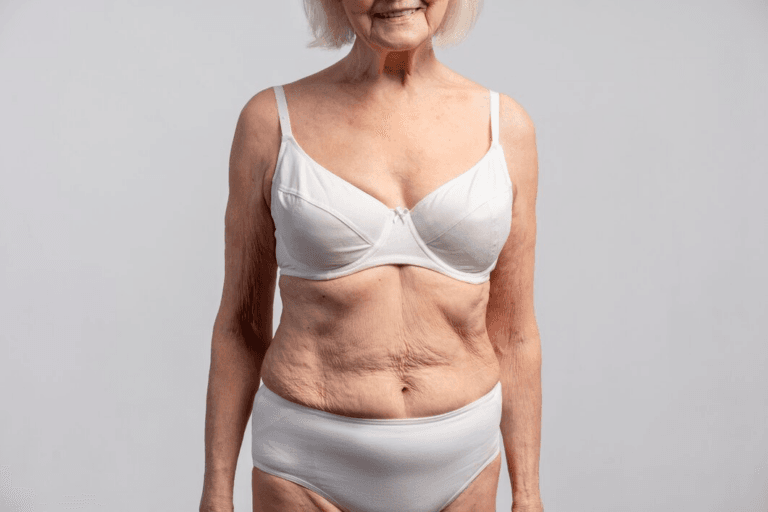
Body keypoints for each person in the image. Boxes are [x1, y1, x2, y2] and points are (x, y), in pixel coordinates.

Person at [200, 0, 543, 511]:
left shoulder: (506, 127)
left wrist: (529, 494)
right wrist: (216, 491)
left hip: (462, 464)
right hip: (306, 464)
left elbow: (514, 333)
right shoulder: (270, 123)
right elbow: (241, 326)